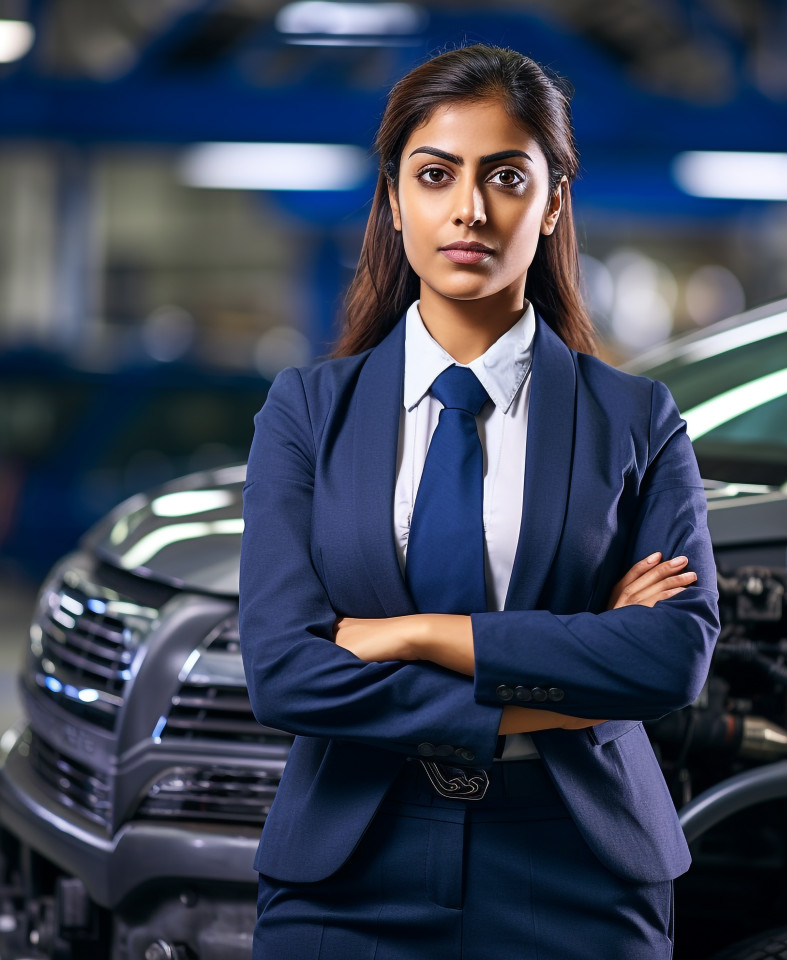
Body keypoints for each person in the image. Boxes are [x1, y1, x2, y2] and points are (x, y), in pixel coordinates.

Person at [239, 43, 719, 960]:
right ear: (393, 200)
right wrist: (572, 687)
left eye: (506, 175)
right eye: (435, 174)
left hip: (575, 864)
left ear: (552, 204)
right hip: (348, 867)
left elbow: (668, 657)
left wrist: (415, 633)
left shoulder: (634, 418)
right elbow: (284, 671)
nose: (470, 208)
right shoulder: (307, 411)